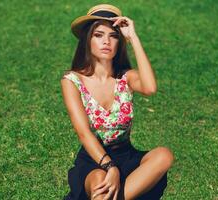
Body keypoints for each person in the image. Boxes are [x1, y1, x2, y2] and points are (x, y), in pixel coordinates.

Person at [60, 4, 174, 200]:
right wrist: (109, 166)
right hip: (94, 159)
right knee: (101, 186)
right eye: (98, 35)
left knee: (164, 155)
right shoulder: (72, 81)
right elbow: (84, 133)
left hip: (126, 156)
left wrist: (133, 38)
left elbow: (150, 88)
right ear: (88, 40)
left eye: (113, 36)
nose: (106, 41)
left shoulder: (125, 78)